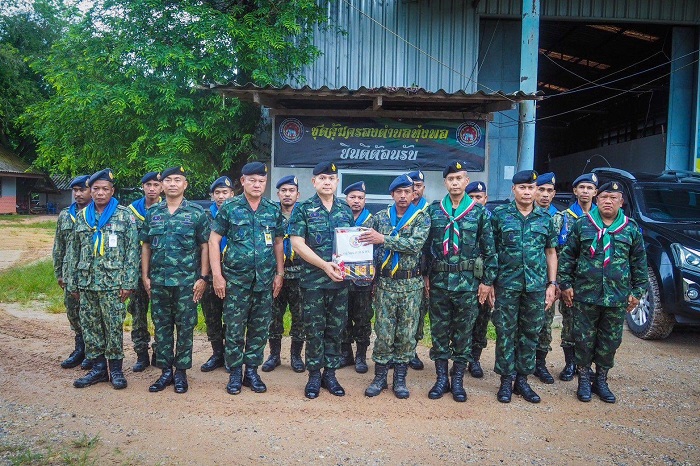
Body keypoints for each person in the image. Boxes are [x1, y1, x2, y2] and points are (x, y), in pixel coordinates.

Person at [558, 181, 648, 403]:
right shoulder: (583, 225)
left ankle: (601, 380)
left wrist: (637, 292)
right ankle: (584, 380)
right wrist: (566, 284)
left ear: (621, 202)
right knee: (583, 339)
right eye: (604, 197)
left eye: (613, 198)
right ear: (597, 199)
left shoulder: (630, 228)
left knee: (610, 341)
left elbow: (639, 263)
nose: (608, 201)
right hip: (585, 296)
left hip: (617, 297)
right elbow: (568, 256)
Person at [423, 162, 497, 402]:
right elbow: (425, 248)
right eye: (450, 179)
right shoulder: (434, 211)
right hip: (439, 282)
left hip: (468, 284)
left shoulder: (479, 213)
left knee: (464, 333)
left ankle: (457, 381)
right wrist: (425, 275)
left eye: (459, 178)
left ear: (466, 181)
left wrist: (487, 282)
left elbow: (490, 250)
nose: (455, 183)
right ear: (445, 182)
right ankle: (441, 379)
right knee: (439, 331)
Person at [210, 162, 284, 395]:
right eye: (252, 180)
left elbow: (279, 242)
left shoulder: (272, 209)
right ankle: (234, 372)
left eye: (261, 181)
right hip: (236, 281)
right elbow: (214, 241)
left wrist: (280, 273)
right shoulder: (230, 207)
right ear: (242, 181)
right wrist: (217, 275)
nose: (257, 185)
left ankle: (251, 371)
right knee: (234, 327)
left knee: (259, 327)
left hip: (264, 280)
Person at [66, 169, 139, 389]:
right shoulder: (82, 217)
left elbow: (132, 252)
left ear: (112, 191)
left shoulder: (125, 216)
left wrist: (128, 283)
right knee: (91, 327)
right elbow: (73, 252)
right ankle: (98, 369)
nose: (100, 193)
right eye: (95, 189)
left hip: (113, 283)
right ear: (90, 191)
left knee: (113, 327)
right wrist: (72, 282)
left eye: (104, 189)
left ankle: (115, 370)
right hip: (87, 283)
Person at [491, 170, 558, 404]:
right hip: (506, 285)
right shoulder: (500, 215)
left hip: (535, 286)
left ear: (536, 190)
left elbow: (551, 252)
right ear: (514, 189)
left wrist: (552, 284)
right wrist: (490, 283)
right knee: (505, 332)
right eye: (522, 187)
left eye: (531, 188)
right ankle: (505, 381)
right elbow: (491, 251)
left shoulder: (545, 218)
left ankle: (522, 380)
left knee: (530, 333)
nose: (527, 192)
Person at [360, 174, 430, 399]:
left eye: (407, 192)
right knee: (383, 332)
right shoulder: (380, 217)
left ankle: (400, 379)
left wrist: (383, 239)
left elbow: (415, 245)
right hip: (385, 284)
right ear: (392, 194)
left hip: (410, 285)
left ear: (413, 194)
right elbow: (361, 238)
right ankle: (379, 377)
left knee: (406, 334)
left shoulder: (421, 218)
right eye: (398, 192)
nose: (403, 196)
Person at [141, 166, 210, 394]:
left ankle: (181, 372)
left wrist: (203, 277)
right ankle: (165, 372)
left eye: (177, 180)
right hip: (159, 281)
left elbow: (204, 246)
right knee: (161, 327)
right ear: (162, 185)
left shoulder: (197, 213)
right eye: (168, 180)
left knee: (185, 327)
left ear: (185, 184)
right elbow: (146, 246)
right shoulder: (153, 212)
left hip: (186, 283)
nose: (172, 184)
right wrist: (145, 276)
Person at [289, 161, 354, 399]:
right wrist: (325, 265)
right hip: (313, 282)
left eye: (331, 178)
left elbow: (351, 244)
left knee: (336, 329)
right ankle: (314, 375)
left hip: (339, 281)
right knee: (314, 329)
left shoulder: (345, 209)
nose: (327, 182)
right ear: (314, 181)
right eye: (323, 178)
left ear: (337, 182)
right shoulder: (303, 209)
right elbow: (297, 244)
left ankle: (331, 375)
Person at [552, 173, 598, 382]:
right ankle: (570, 363)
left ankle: (586, 365)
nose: (585, 191)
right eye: (582, 187)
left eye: (589, 188)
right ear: (575, 191)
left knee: (592, 326)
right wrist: (559, 282)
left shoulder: (602, 218)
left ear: (595, 192)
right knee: (569, 324)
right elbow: (555, 252)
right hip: (570, 281)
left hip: (594, 283)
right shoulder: (562, 218)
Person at [262, 175, 305, 373]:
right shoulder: (270, 214)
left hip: (300, 273)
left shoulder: (305, 214)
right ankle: (274, 355)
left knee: (300, 316)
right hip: (274, 273)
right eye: (284, 191)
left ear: (298, 194)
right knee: (274, 316)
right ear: (278, 193)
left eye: (291, 191)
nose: (287, 194)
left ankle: (296, 356)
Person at [53, 174, 92, 370]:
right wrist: (59, 273)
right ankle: (80, 348)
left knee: (91, 314)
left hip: (90, 274)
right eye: (75, 190)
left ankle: (92, 352)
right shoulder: (65, 215)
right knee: (73, 312)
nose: (78, 194)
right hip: (70, 274)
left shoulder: (96, 215)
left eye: (82, 190)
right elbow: (59, 246)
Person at [127, 171, 163, 372]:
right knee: (138, 314)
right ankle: (141, 354)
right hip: (135, 272)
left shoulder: (167, 209)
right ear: (142, 187)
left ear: (162, 187)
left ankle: (159, 352)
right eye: (148, 185)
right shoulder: (131, 211)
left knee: (161, 315)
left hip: (159, 272)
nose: (152, 188)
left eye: (156, 185)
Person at [200, 175, 235, 372]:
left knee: (232, 316)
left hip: (233, 273)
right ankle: (217, 354)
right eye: (217, 193)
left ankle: (230, 355)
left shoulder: (238, 214)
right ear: (212, 196)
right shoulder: (204, 216)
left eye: (225, 192)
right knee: (211, 315)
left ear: (232, 194)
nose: (221, 196)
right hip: (209, 272)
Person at [340, 181, 373, 373]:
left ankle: (361, 356)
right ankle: (346, 353)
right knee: (342, 316)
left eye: (360, 198)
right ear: (346, 199)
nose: (356, 201)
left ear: (365, 200)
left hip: (363, 280)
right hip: (342, 279)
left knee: (362, 318)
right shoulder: (339, 218)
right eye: (352, 197)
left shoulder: (372, 221)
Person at [532, 172, 558, 385]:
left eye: (549, 191)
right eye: (541, 190)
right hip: (523, 280)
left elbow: (556, 253)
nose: (545, 195)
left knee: (545, 324)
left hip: (546, 281)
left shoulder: (559, 218)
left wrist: (555, 282)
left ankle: (540, 364)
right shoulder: (520, 214)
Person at [464, 180, 492, 378]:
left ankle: (475, 359)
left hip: (485, 279)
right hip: (465, 279)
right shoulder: (461, 218)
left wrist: (491, 282)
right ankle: (460, 357)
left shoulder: (493, 220)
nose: (475, 201)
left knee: (481, 320)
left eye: (478, 197)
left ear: (485, 199)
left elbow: (496, 253)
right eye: (471, 197)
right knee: (462, 321)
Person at [407, 169, 429, 370]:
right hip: (399, 272)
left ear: (423, 188)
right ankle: (396, 352)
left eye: (419, 186)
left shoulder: (430, 211)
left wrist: (428, 274)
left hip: (422, 271)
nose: (415, 190)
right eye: (411, 186)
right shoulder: (396, 210)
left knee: (418, 313)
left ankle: (412, 350)